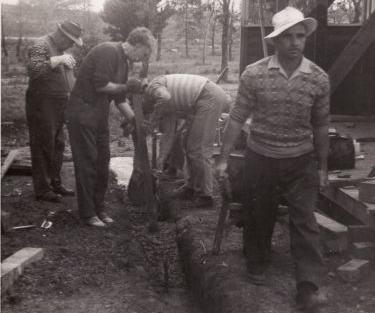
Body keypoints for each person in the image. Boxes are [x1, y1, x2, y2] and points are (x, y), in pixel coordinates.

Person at [215, 6, 330, 311]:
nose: (296, 42)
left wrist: (323, 167)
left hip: (301, 159)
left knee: (304, 220)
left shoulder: (319, 79)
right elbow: (238, 117)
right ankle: (257, 262)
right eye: (288, 36)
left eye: (300, 36)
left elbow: (320, 125)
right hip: (261, 157)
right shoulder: (254, 74)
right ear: (275, 41)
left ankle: (308, 286)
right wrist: (223, 159)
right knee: (259, 213)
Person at [66, 27, 155, 227]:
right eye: (144, 54)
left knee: (102, 162)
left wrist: (136, 120)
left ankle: (98, 209)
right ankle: (87, 213)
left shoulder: (124, 62)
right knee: (87, 162)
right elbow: (101, 86)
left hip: (98, 114)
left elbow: (119, 99)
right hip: (83, 112)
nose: (142, 59)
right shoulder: (109, 50)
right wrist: (128, 86)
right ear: (138, 45)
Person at [143, 73, 229, 208]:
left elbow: (165, 98)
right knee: (187, 144)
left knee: (198, 149)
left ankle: (205, 195)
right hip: (203, 99)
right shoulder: (163, 103)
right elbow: (169, 135)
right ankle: (191, 187)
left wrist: (153, 120)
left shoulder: (154, 88)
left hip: (208, 96)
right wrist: (160, 162)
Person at [26, 20, 83, 203]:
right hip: (42, 103)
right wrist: (57, 60)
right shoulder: (41, 44)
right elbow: (34, 70)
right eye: (70, 40)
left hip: (59, 104)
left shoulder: (60, 49)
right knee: (43, 144)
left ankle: (55, 182)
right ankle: (43, 189)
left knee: (58, 144)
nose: (72, 44)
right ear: (61, 34)